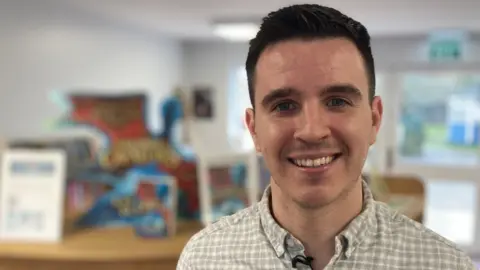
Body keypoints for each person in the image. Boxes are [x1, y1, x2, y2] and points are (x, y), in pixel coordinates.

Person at [177, 4, 475, 269]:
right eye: (284, 105)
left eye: (337, 101)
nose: (312, 131)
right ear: (254, 129)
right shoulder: (204, 259)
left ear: (374, 119)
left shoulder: (443, 264)